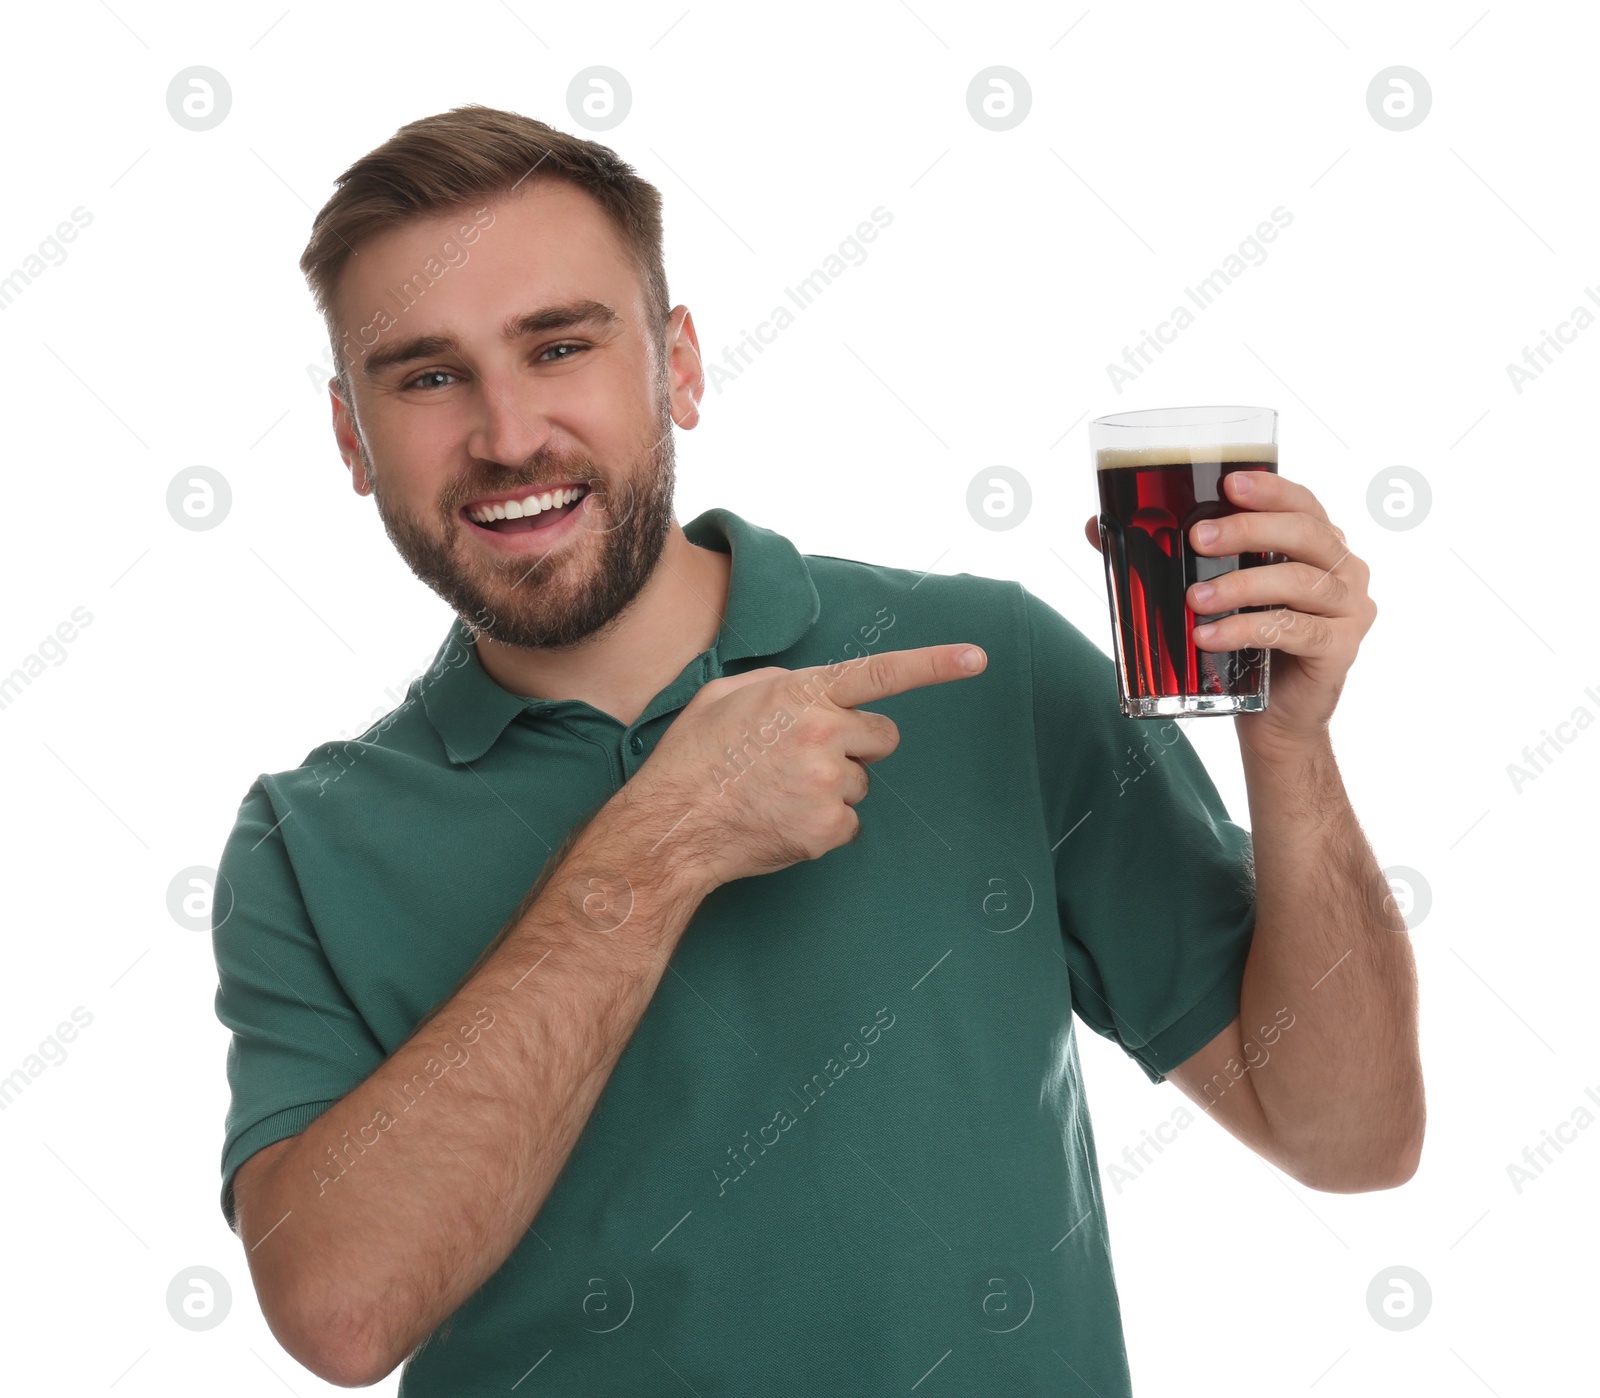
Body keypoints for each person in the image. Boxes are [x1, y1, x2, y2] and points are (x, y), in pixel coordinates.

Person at [211, 104, 1423, 1394]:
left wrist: (1288, 751)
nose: (508, 436)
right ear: (352, 437)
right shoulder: (307, 840)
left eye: (559, 345)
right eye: (429, 376)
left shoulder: (985, 666)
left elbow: (1350, 1138)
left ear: (676, 364)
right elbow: (339, 1316)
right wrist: (657, 848)